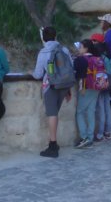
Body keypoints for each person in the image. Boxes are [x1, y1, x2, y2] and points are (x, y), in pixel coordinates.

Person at [33, 25, 74, 158]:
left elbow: (38, 74)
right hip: (64, 86)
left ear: (43, 38)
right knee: (55, 113)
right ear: (55, 36)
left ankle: (53, 145)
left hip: (51, 86)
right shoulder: (64, 50)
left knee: (52, 114)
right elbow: (70, 68)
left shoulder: (43, 52)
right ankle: (53, 143)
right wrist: (68, 89)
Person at [73, 40, 102, 148]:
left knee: (80, 112)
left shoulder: (80, 59)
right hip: (97, 87)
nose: (79, 49)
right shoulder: (97, 58)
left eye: (81, 47)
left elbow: (76, 73)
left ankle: (84, 137)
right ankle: (90, 137)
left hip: (85, 88)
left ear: (86, 48)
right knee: (91, 111)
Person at [94, 39, 111, 141]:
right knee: (108, 108)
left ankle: (100, 133)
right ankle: (108, 132)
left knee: (101, 108)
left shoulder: (100, 59)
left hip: (101, 85)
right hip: (110, 85)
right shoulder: (109, 58)